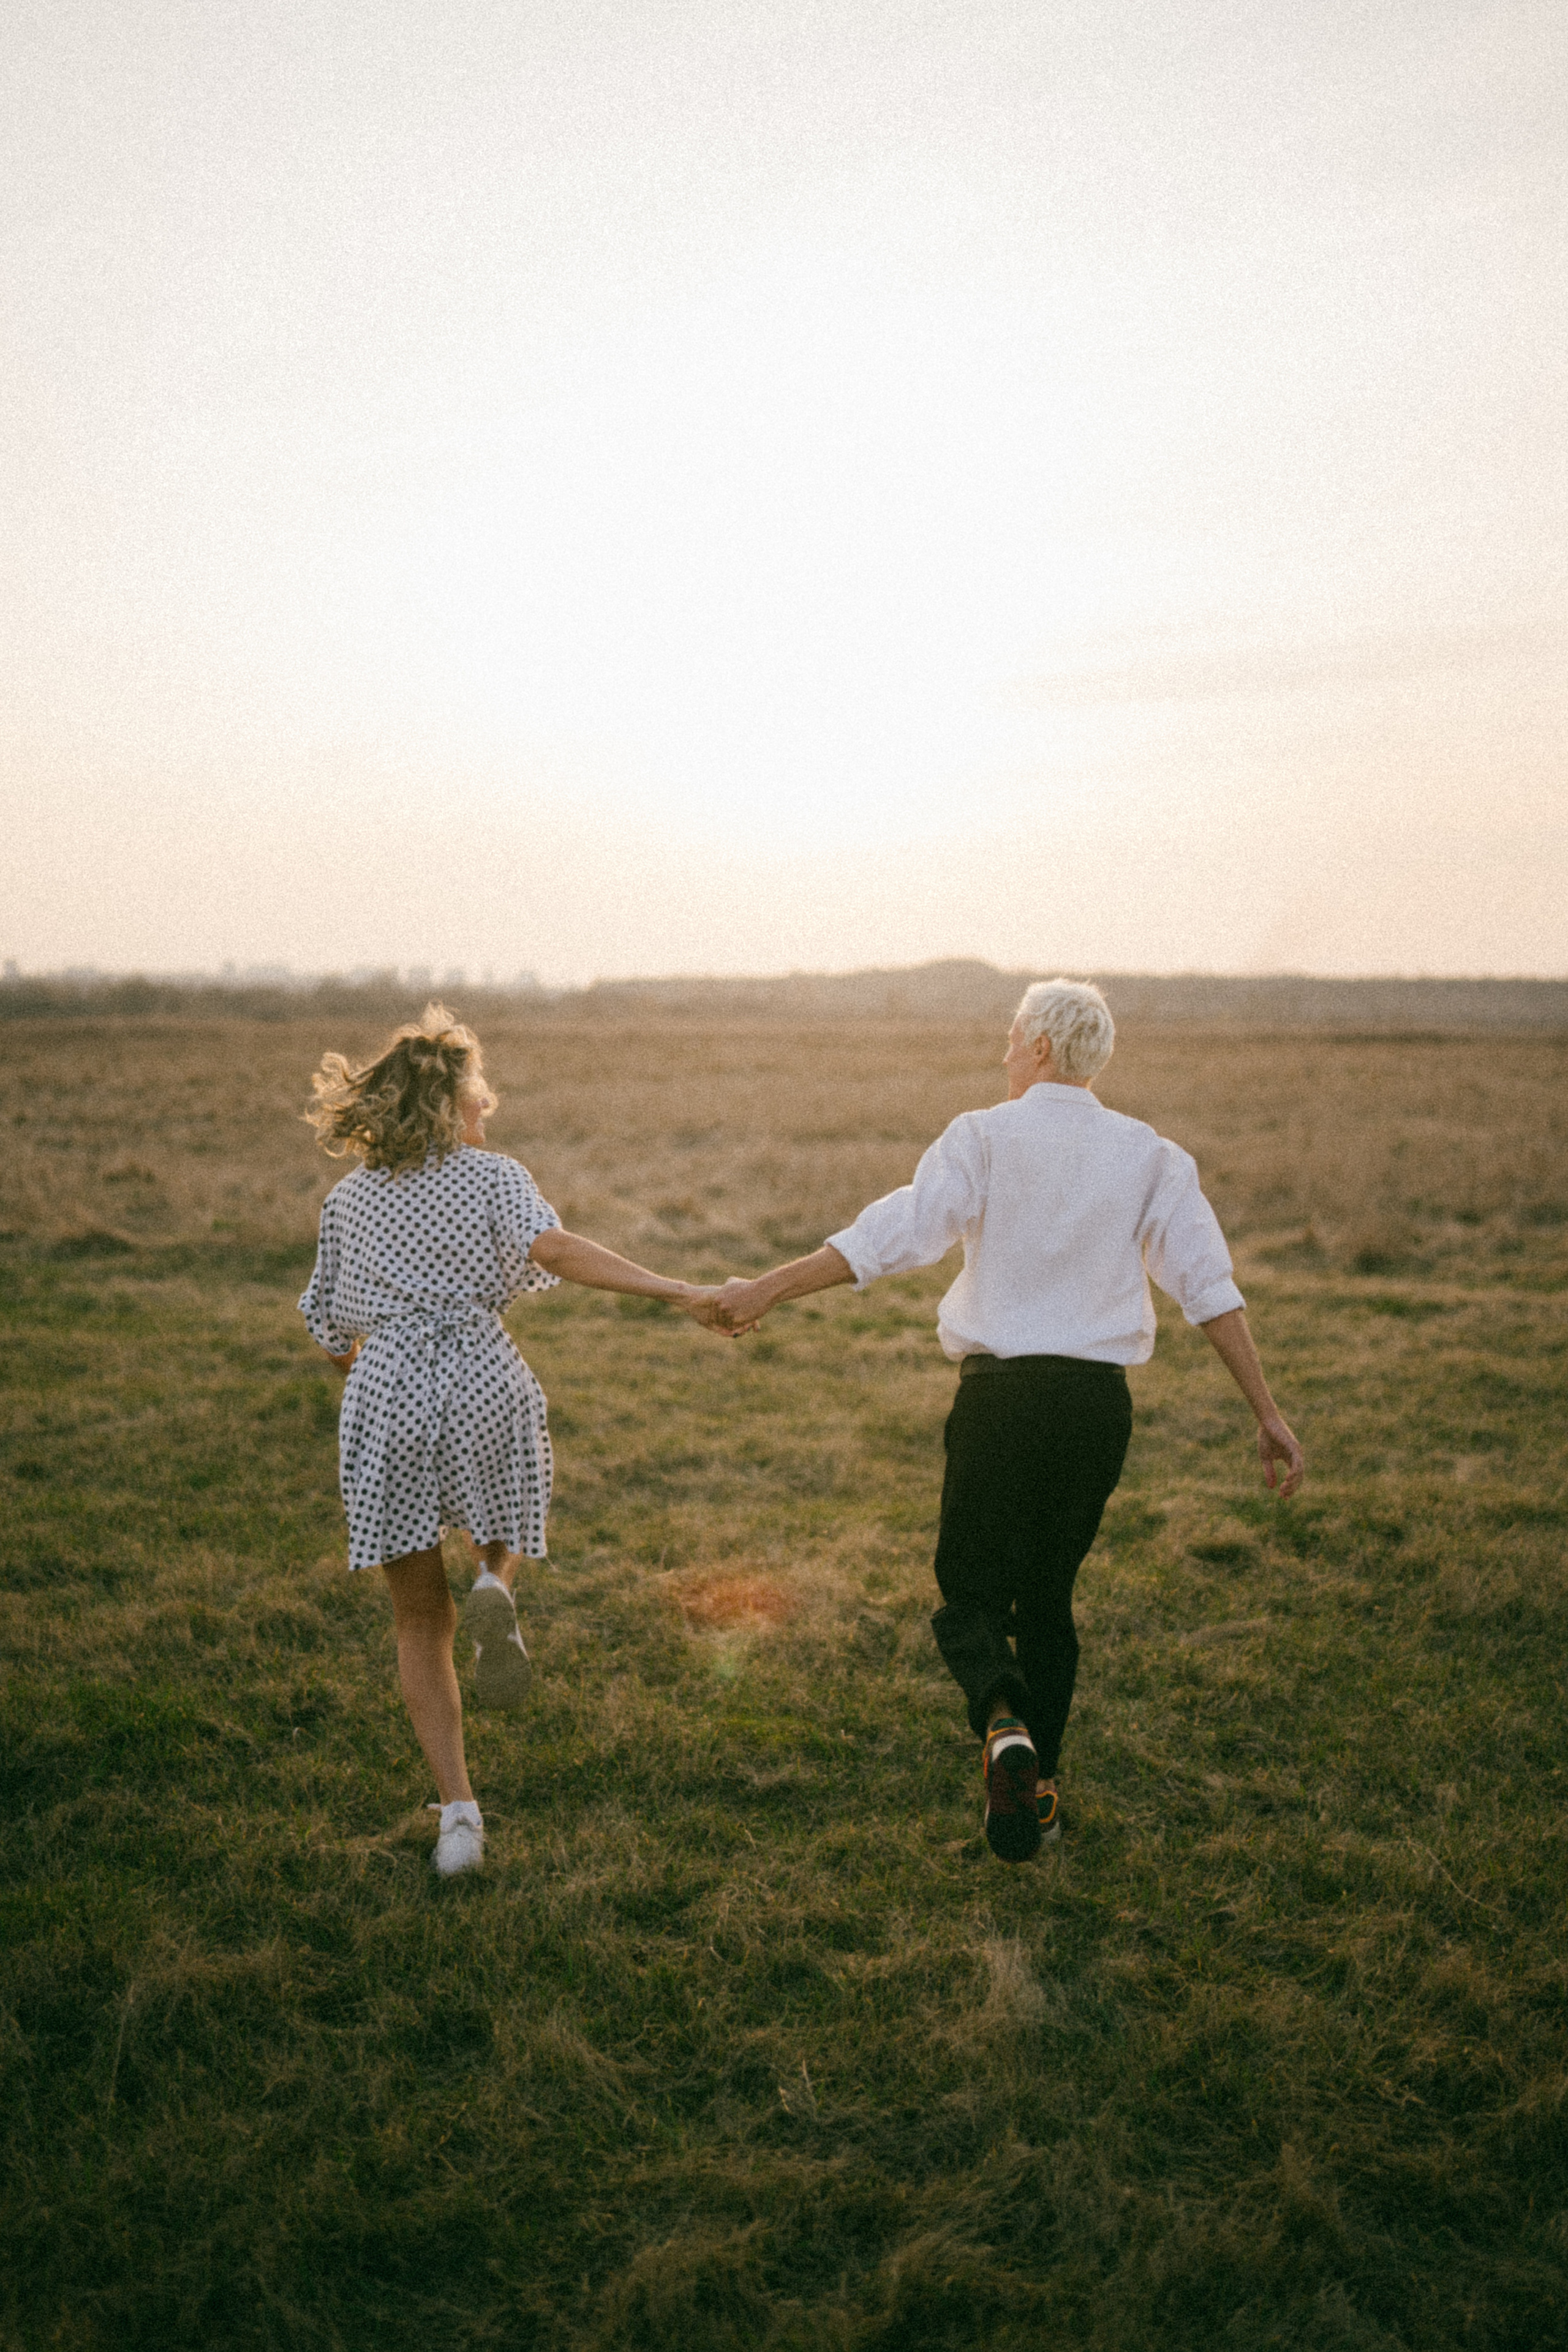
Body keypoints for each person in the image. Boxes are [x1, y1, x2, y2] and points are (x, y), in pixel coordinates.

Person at [711, 978, 1305, 1865]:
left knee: (970, 1597)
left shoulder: (984, 1135)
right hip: (1095, 1410)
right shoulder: (1151, 1155)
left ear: (1037, 1046)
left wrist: (765, 1288)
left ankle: (1002, 1726)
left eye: (1008, 1037)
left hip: (999, 1400)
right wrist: (1267, 1410)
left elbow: (891, 1237)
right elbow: (1207, 1288)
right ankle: (1040, 1796)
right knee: (1049, 1601)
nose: (1000, 1053)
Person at [298, 1005, 722, 1878]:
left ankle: (458, 1814)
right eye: (479, 1098)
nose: (487, 1112)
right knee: (514, 1497)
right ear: (453, 1106)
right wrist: (679, 1289)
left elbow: (331, 1330)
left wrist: (367, 1374)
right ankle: (496, 1577)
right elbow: (558, 1250)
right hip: (483, 1375)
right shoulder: (494, 1178)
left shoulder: (347, 1200)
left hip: (388, 1393)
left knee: (420, 1619)